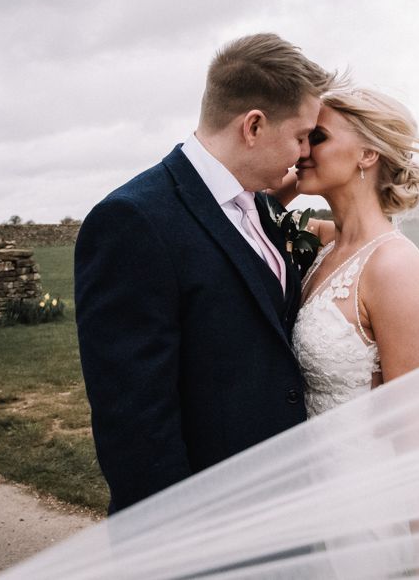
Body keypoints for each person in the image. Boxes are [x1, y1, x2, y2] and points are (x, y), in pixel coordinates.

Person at [74, 33, 336, 514]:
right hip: (209, 526)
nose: (303, 154)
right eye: (300, 136)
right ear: (253, 126)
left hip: (285, 508)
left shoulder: (260, 204)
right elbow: (134, 422)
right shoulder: (134, 221)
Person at [272, 87, 419, 573]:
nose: (302, 149)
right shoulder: (324, 242)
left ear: (368, 154)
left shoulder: (394, 267)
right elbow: (253, 216)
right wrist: (289, 182)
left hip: (364, 503)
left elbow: (413, 428)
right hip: (307, 490)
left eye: (318, 137)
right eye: (303, 138)